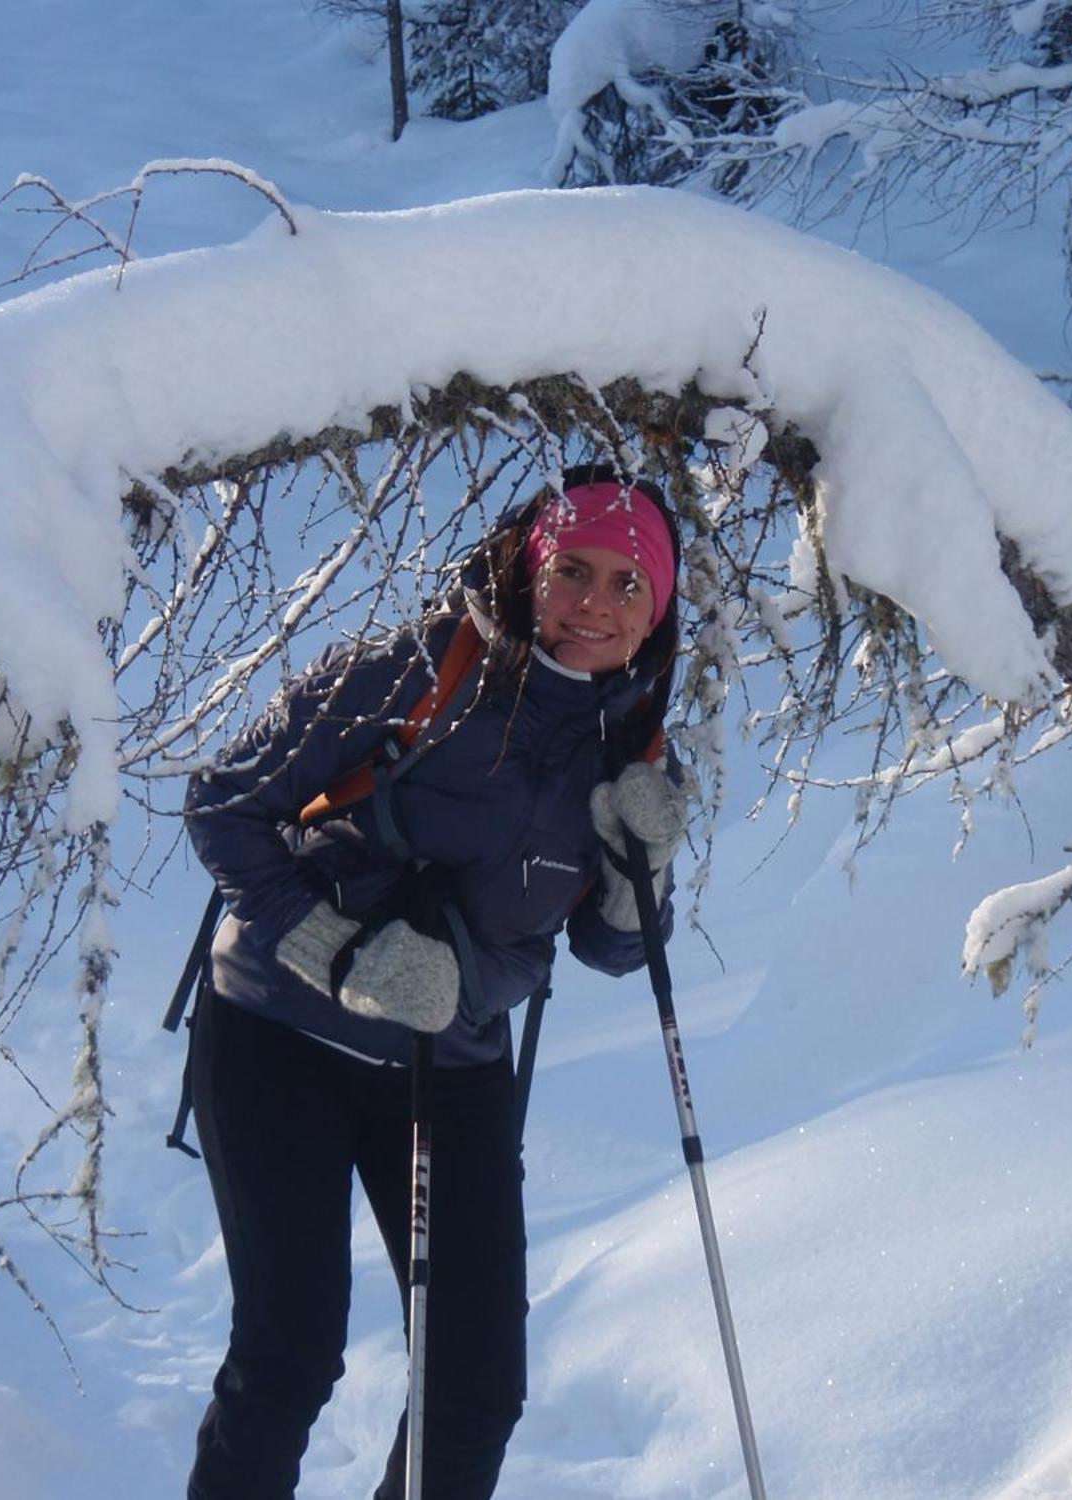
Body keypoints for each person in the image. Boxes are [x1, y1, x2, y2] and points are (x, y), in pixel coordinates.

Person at [181, 466, 692, 1500]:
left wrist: (644, 878)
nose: (595, 602)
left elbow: (606, 949)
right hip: (280, 1033)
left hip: (449, 1061)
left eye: (627, 586)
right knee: (289, 1355)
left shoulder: (631, 752)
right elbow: (222, 803)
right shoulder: (413, 669)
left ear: (656, 616)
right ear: (525, 570)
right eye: (572, 571)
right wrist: (340, 951)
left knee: (474, 1389)